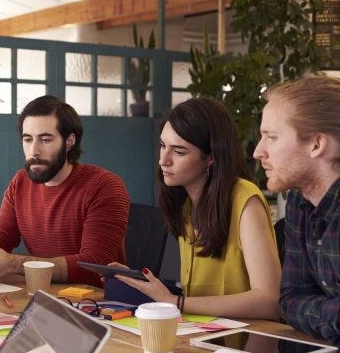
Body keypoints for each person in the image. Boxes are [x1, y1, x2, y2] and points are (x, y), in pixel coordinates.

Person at [113, 97, 280, 319]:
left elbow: (270, 301)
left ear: (210, 157)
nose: (164, 160)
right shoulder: (185, 204)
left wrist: (175, 302)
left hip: (241, 343)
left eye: (179, 152)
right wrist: (139, 283)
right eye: (163, 146)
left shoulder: (244, 199)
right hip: (199, 335)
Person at [0, 95, 129, 287]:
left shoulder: (104, 185)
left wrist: (13, 263)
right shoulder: (20, 182)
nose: (34, 150)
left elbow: (95, 266)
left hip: (94, 304)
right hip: (40, 295)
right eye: (27, 139)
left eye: (45, 139)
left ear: (69, 141)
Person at [253, 75, 340, 353]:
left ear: (316, 144)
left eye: (271, 138)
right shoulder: (301, 201)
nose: (258, 151)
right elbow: (289, 302)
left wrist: (330, 314)